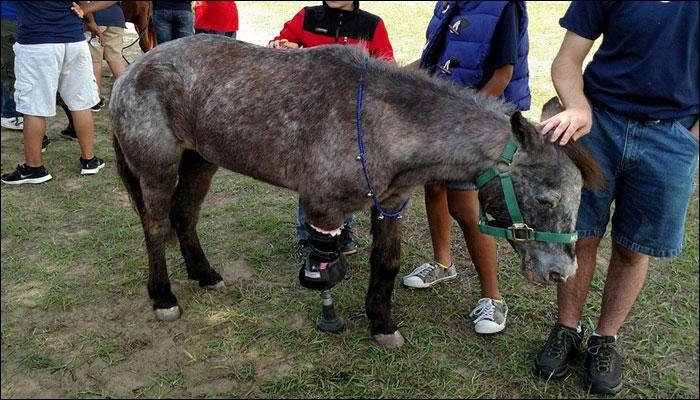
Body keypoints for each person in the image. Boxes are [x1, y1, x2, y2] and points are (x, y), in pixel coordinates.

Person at [533, 1, 699, 395]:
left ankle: (604, 340)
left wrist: (690, 142)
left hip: (669, 137)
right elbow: (566, 61)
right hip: (599, 125)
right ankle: (566, 329)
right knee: (581, 236)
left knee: (632, 249)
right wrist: (578, 106)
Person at [401, 1, 530, 336]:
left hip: (475, 118)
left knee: (463, 204)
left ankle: (493, 297)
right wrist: (390, 74)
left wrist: (464, 122)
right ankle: (443, 263)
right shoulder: (449, 4)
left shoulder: (504, 6)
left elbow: (503, 75)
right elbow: (431, 60)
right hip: (442, 114)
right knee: (434, 187)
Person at [268, 0, 395, 257]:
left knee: (348, 177)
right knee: (313, 178)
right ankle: (308, 235)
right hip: (311, 116)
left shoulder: (372, 25)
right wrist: (284, 46)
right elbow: (280, 42)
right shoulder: (307, 16)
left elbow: (387, 67)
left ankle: (343, 229)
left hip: (351, 119)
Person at [0, 1, 116, 185]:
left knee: (33, 107)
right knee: (80, 103)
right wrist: (86, 11)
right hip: (73, 41)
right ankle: (89, 160)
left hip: (37, 43)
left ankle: (34, 168)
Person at [1, 1, 23, 131]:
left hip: (15, 18)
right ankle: (9, 113)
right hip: (10, 19)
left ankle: (10, 112)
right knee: (11, 68)